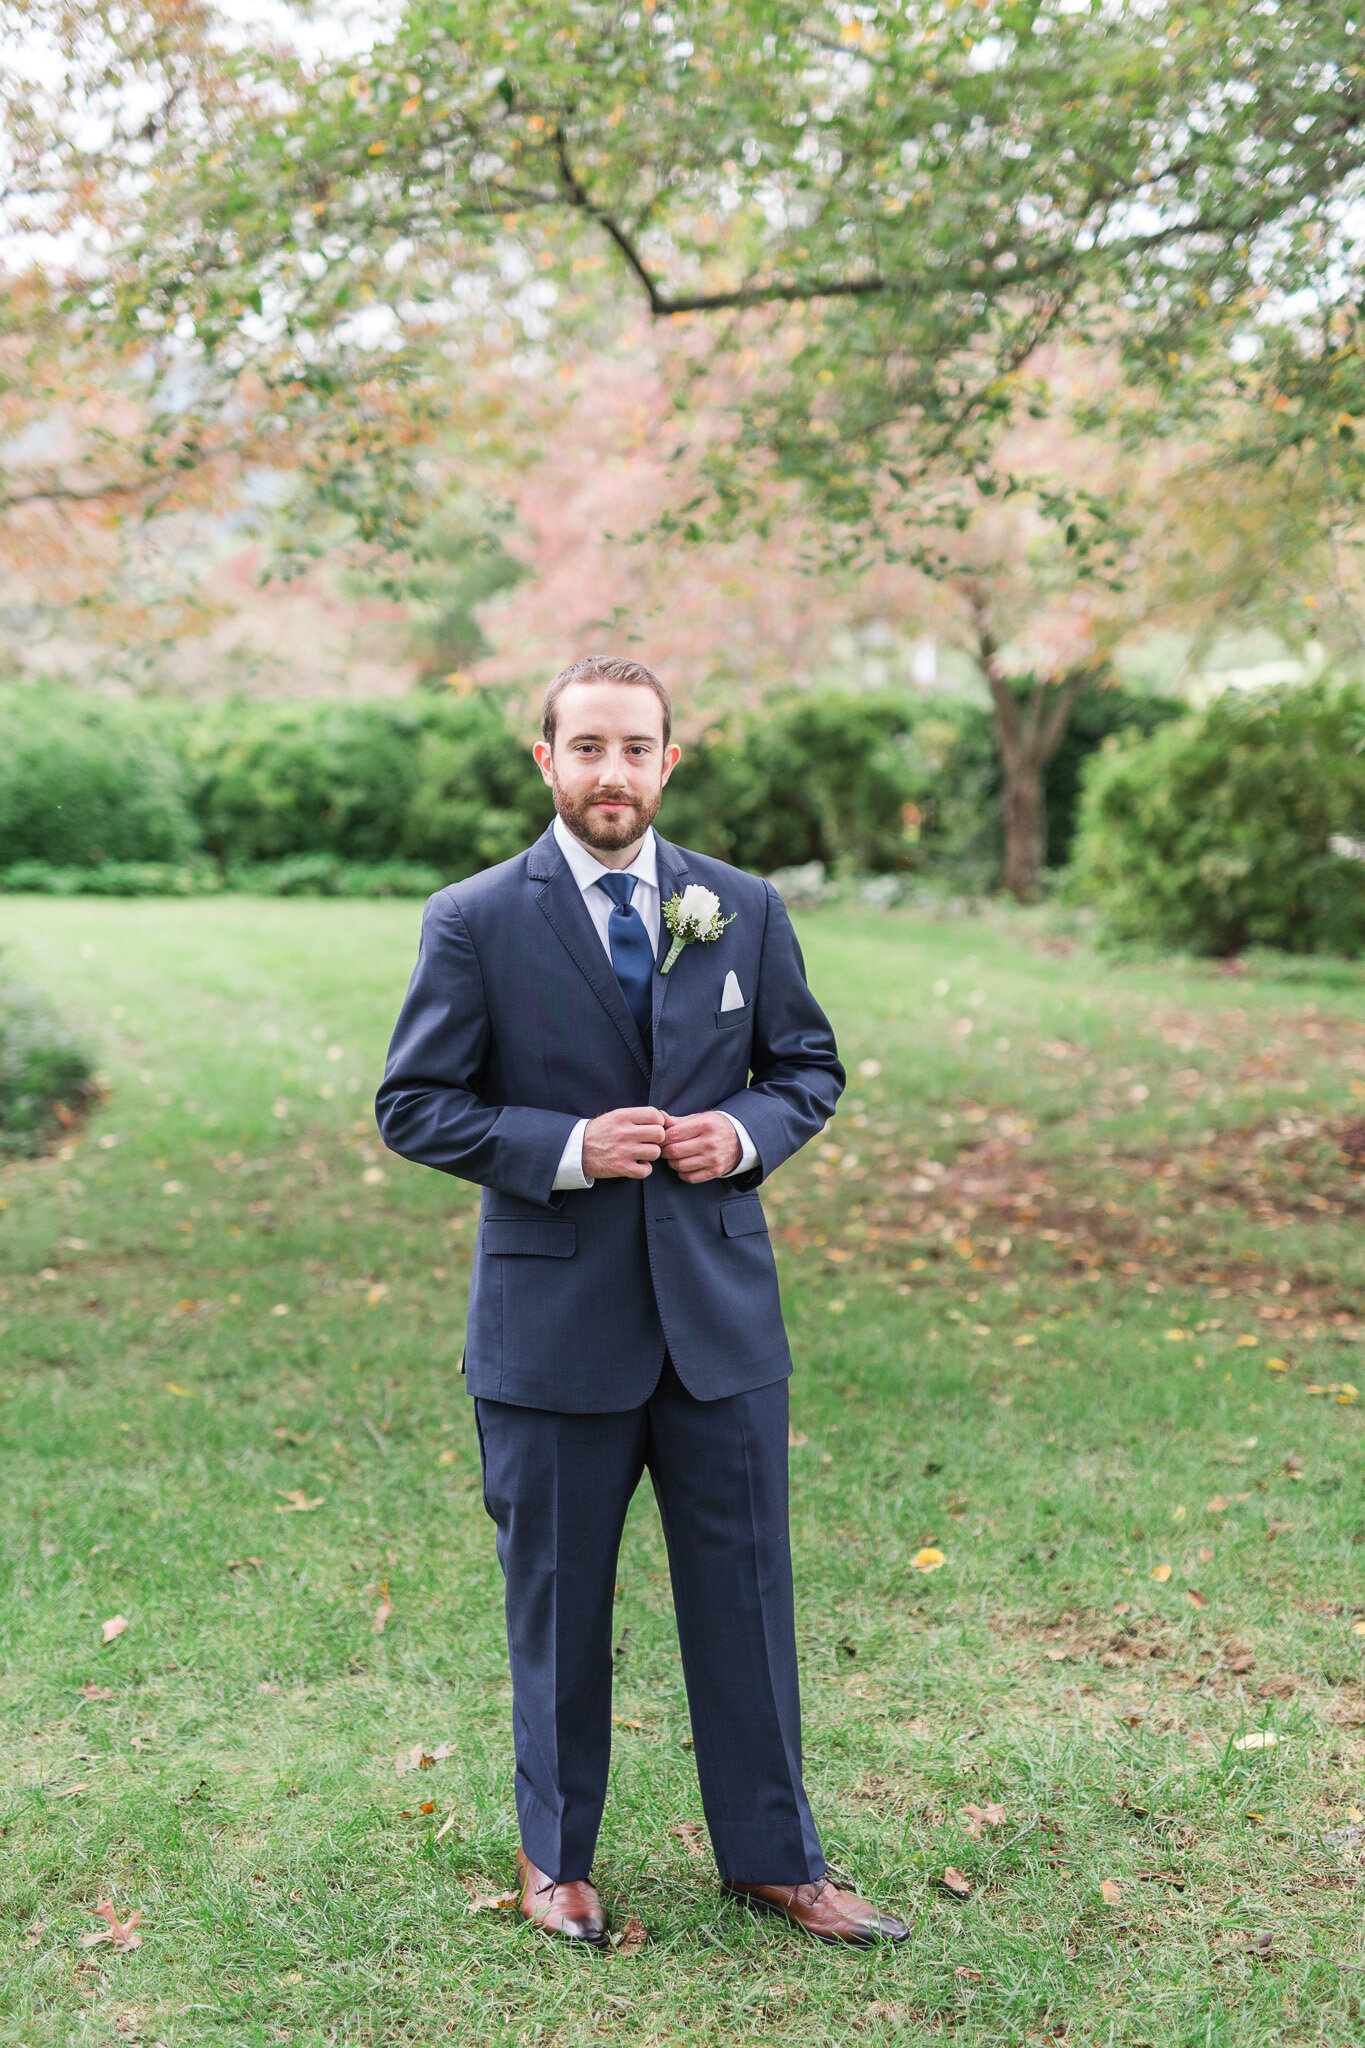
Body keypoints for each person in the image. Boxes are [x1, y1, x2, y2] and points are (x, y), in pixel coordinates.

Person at [375, 654, 909, 1949]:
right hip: (554, 1335)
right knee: (557, 1603)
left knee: (747, 1597)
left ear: (669, 763)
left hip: (720, 1327)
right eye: (588, 747)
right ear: (544, 760)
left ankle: (777, 1858)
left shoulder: (741, 909)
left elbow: (805, 1066)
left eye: (636, 749)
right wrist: (563, 1149)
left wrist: (741, 1134)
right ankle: (556, 1861)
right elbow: (416, 1105)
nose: (612, 772)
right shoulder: (475, 920)